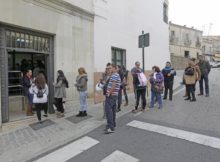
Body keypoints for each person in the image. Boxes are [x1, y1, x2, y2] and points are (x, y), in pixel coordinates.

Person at [104, 64, 121, 134]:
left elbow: (113, 85)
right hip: (114, 95)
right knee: (113, 110)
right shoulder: (116, 75)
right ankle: (113, 125)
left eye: (110, 68)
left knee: (109, 111)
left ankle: (111, 127)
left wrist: (109, 93)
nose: (109, 69)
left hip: (111, 95)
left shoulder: (114, 75)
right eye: (108, 68)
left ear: (114, 68)